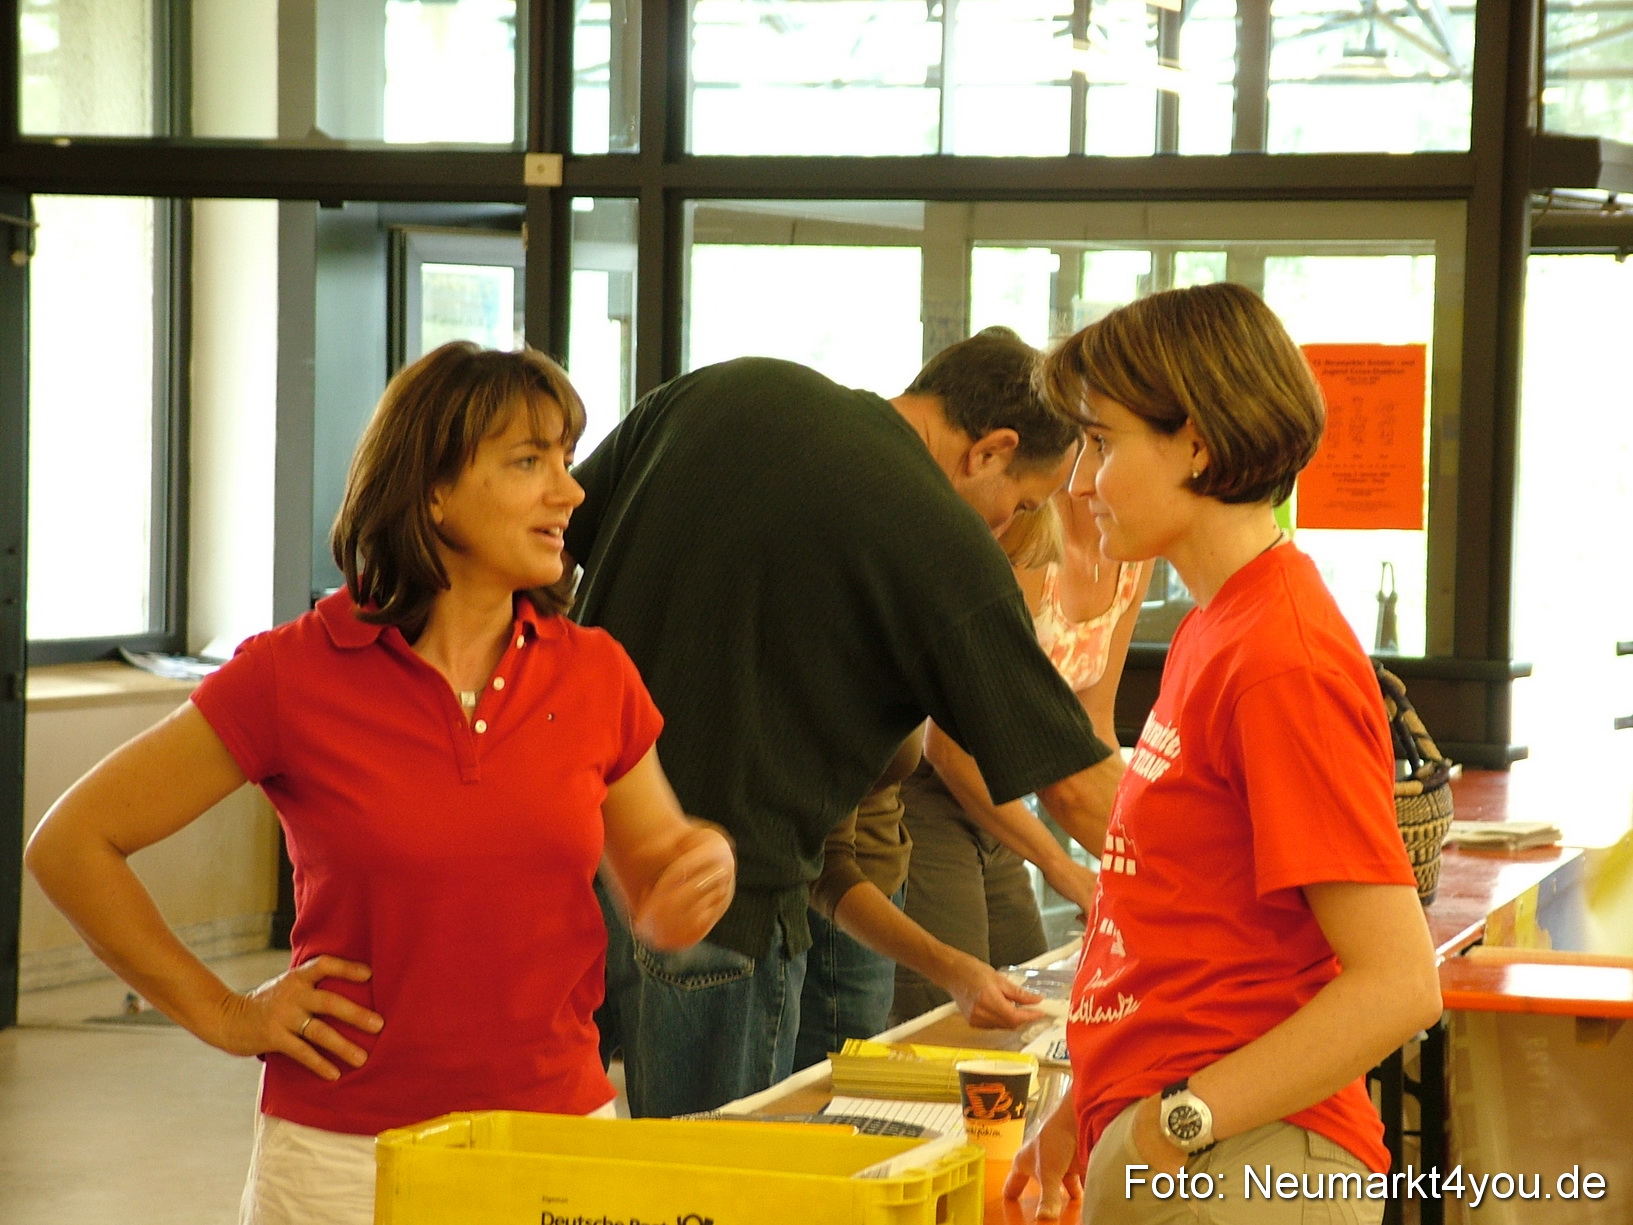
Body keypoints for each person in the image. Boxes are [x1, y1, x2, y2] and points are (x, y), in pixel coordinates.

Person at [24, 343, 736, 1225]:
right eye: (529, 462)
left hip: (553, 1138)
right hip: (341, 1160)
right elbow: (72, 843)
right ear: (432, 490)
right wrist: (226, 1013)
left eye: (564, 458)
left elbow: (657, 886)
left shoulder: (595, 673)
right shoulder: (293, 672)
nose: (570, 491)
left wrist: (698, 871)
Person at [563, 327, 1123, 1118]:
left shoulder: (722, 388)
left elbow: (547, 549)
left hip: (568, 855)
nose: (1006, 526)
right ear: (990, 450)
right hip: (726, 900)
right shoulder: (939, 535)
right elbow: (1073, 785)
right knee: (717, 1169)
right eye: (1022, 503)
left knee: (556, 1156)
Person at [1004, 283, 1442, 1223]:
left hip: (1243, 1157)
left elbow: (1399, 982)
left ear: (1196, 445)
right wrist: (1088, 1108)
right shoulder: (1220, 622)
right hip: (1193, 1141)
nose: (1078, 482)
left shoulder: (1279, 655)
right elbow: (1185, 923)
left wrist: (1173, 1126)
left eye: (1101, 442)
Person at [892, 484, 1150, 1022]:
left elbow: (1094, 731)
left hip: (1005, 796)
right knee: (953, 1013)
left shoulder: (1133, 557)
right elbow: (948, 746)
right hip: (927, 787)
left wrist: (1134, 867)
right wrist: (1064, 867)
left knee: (1033, 999)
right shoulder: (1032, 539)